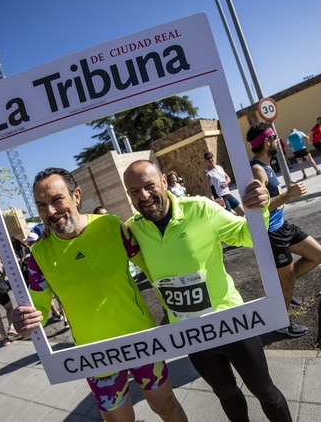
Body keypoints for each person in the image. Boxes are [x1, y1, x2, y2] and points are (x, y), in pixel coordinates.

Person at [12, 167, 188, 422]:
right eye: (41, 205)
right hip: (95, 357)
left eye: (56, 200)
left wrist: (171, 312)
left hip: (142, 341)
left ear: (76, 196)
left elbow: (152, 271)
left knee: (167, 407)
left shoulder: (110, 226)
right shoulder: (38, 256)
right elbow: (36, 312)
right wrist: (22, 322)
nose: (50, 212)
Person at [123, 160, 291, 422]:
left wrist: (260, 209)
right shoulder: (133, 228)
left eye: (149, 186)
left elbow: (247, 236)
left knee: (265, 391)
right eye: (134, 191)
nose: (143, 196)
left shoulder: (200, 208)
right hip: (191, 333)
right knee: (226, 395)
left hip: (231, 320)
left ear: (165, 182)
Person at [246, 121, 321, 337]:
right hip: (272, 234)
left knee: (318, 254)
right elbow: (257, 208)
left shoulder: (267, 165)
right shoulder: (257, 170)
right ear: (266, 142)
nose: (277, 142)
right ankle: (280, 322)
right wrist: (287, 196)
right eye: (273, 138)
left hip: (283, 227)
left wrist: (283, 197)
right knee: (287, 278)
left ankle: (284, 287)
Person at [21, 232, 68, 328]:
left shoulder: (29, 250)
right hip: (51, 274)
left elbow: (22, 263)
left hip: (38, 278)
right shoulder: (45, 244)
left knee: (46, 299)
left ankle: (58, 314)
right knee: (59, 299)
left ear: (30, 242)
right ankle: (65, 320)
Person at [202, 151, 244, 216]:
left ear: (213, 157)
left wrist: (227, 183)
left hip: (227, 194)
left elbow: (228, 177)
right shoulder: (206, 173)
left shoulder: (219, 167)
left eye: (211, 157)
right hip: (219, 198)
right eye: (208, 159)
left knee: (241, 212)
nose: (210, 160)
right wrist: (213, 201)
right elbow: (207, 189)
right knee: (231, 216)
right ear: (205, 161)